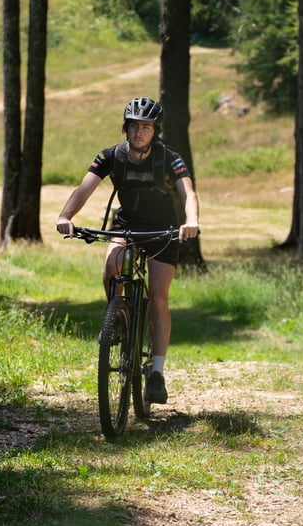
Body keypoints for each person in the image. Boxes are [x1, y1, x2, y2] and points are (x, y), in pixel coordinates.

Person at [56, 97, 200, 404]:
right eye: (133, 125)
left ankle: (157, 373)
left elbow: (187, 191)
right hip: (126, 224)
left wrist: (192, 220)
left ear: (154, 131)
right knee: (112, 264)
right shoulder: (111, 156)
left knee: (158, 297)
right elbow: (84, 188)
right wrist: (65, 216)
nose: (138, 132)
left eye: (145, 127)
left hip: (163, 230)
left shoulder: (168, 157)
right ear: (126, 128)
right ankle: (118, 318)